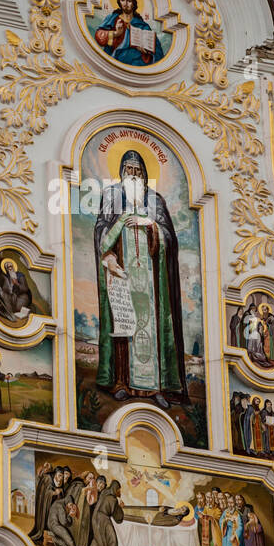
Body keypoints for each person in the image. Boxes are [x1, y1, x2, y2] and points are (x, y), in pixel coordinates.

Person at [93, 150, 186, 409]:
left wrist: (152, 226)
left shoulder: (155, 201)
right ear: (122, 172)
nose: (133, 175)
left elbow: (169, 236)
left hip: (151, 281)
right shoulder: (111, 196)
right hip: (122, 275)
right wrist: (109, 257)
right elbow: (101, 228)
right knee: (124, 325)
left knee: (152, 328)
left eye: (138, 170)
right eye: (129, 170)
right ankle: (122, 382)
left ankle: (156, 388)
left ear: (144, 174)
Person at [93, 0, 164, 66]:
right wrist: (116, 33)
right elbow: (99, 35)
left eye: (129, 1)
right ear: (119, 2)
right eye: (122, 0)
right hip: (116, 59)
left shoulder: (142, 25)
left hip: (137, 63)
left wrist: (146, 52)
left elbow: (157, 50)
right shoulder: (113, 18)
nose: (125, 3)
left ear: (133, 4)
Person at [86, 480, 125, 546]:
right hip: (103, 518)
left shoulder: (104, 493)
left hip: (95, 516)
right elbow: (118, 518)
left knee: (98, 536)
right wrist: (120, 507)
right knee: (112, 540)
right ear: (116, 489)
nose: (119, 491)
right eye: (119, 489)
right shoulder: (112, 499)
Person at [0, 258, 34, 322]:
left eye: (11, 266)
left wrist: (17, 284)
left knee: (19, 307)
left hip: (21, 296)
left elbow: (25, 288)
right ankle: (8, 312)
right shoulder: (4, 277)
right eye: (8, 267)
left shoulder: (20, 275)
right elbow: (2, 288)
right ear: (5, 268)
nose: (10, 268)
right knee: (4, 296)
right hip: (10, 297)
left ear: (13, 266)